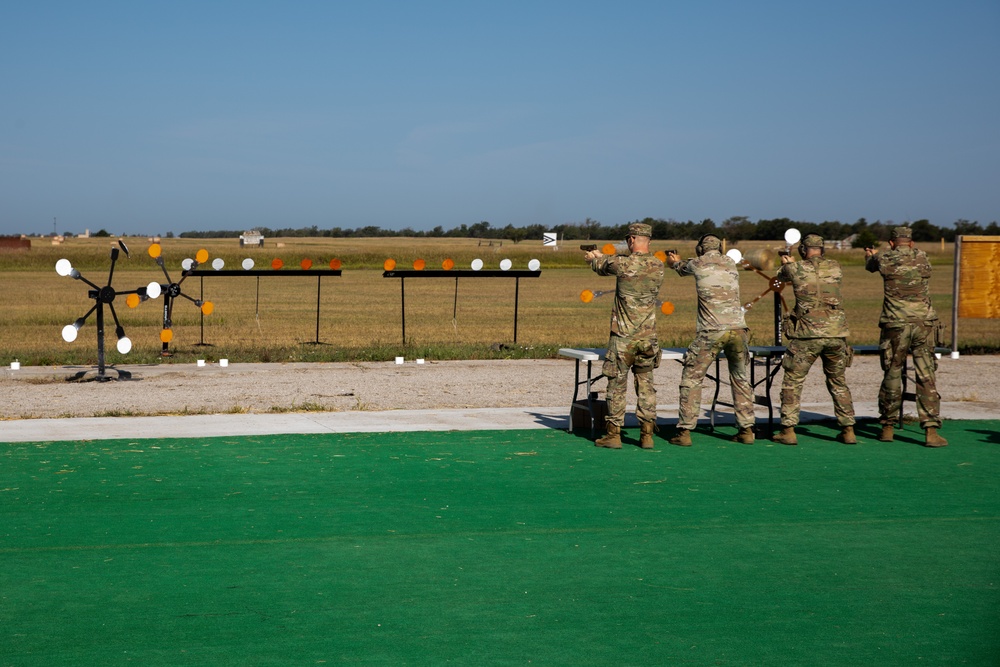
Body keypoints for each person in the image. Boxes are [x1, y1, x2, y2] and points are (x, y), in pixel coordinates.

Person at [666, 235, 755, 445]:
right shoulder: (731, 263)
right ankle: (747, 429)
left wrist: (673, 261)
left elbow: (680, 268)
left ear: (700, 249)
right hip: (738, 329)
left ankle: (685, 431)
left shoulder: (696, 263)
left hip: (711, 331)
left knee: (692, 379)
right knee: (741, 379)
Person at [584, 222, 665, 449]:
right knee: (646, 386)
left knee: (616, 386)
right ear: (648, 240)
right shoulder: (658, 265)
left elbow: (601, 265)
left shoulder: (622, 263)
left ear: (631, 240)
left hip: (623, 338)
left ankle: (613, 434)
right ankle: (647, 435)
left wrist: (593, 257)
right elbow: (614, 263)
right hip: (648, 338)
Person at [865, 226, 947, 447]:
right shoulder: (922, 256)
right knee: (926, 375)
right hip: (923, 323)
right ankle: (930, 430)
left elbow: (871, 266)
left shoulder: (884, 257)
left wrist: (871, 256)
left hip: (895, 323)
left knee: (892, 373)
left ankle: (888, 427)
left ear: (892, 243)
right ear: (910, 242)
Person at [772, 234, 856, 445]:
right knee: (838, 382)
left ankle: (788, 430)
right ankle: (848, 429)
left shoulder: (795, 268)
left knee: (793, 381)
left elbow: (780, 277)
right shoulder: (836, 267)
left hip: (807, 335)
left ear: (803, 251)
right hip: (836, 333)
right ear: (822, 250)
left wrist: (788, 263)